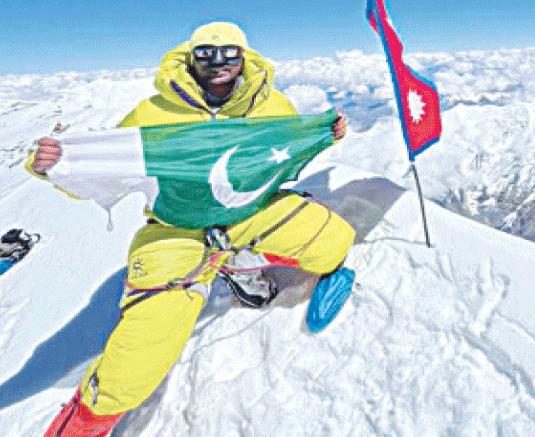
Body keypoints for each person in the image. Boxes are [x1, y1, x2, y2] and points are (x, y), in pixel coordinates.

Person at [30, 22, 355, 437]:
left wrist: (328, 135)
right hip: (174, 230)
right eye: (206, 53)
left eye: (229, 53)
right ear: (190, 57)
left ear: (243, 57)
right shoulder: (152, 114)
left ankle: (240, 261)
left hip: (249, 213)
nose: (218, 62)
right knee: (133, 367)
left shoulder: (272, 105)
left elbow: (286, 153)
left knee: (333, 242)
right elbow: (105, 168)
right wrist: (51, 166)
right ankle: (82, 427)